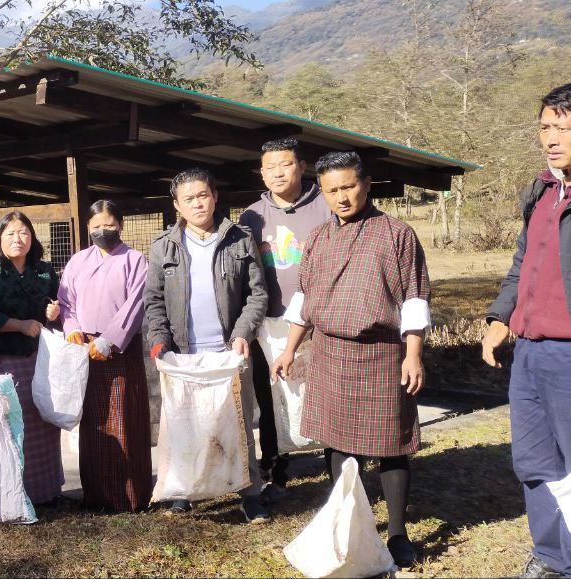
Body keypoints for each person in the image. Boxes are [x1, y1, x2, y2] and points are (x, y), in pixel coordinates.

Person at [481, 77, 571, 579]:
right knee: (536, 463)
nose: (551, 139)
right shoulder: (544, 188)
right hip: (531, 354)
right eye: (544, 127)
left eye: (563, 127)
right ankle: (549, 556)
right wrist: (502, 316)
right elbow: (525, 261)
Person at [271, 151, 431, 568]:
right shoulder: (321, 237)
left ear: (366, 183)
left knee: (392, 445)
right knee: (337, 441)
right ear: (321, 192)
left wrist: (412, 355)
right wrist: (290, 348)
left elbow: (414, 299)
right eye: (331, 190)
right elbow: (303, 300)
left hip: (381, 352)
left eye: (348, 187)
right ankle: (345, 520)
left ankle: (397, 533)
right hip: (328, 351)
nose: (341, 197)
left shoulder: (397, 234)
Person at [144, 168, 270, 522]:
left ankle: (249, 493)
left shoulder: (239, 239)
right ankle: (185, 491)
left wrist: (243, 332)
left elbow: (257, 293)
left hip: (229, 353)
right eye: (189, 199)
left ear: (215, 196)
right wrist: (159, 340)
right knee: (186, 425)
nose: (198, 203)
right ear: (177, 206)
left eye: (203, 195)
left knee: (239, 424)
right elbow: (153, 300)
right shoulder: (163, 246)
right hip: (183, 354)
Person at [238, 137, 331, 500]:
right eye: (270, 167)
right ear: (262, 173)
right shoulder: (252, 215)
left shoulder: (325, 205)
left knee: (320, 390)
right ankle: (276, 471)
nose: (278, 172)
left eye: (285, 164)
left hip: (318, 321)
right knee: (271, 392)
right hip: (268, 321)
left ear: (302, 166)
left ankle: (335, 467)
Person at [58, 199, 151, 513]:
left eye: (108, 225)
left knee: (125, 418)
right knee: (94, 423)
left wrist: (109, 340)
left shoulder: (135, 260)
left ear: (120, 225)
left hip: (119, 349)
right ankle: (96, 494)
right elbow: (66, 302)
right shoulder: (77, 261)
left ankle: (129, 496)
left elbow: (136, 305)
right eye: (95, 226)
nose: (102, 231)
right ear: (87, 228)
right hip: (85, 349)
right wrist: (71, 328)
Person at [0, 210, 65, 504]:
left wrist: (54, 313)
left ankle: (47, 491)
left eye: (24, 232)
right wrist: (19, 325)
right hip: (6, 359)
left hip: (41, 358)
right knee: (13, 424)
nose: (18, 239)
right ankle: (15, 494)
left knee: (43, 420)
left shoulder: (44, 272)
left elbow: (56, 309)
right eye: (11, 233)